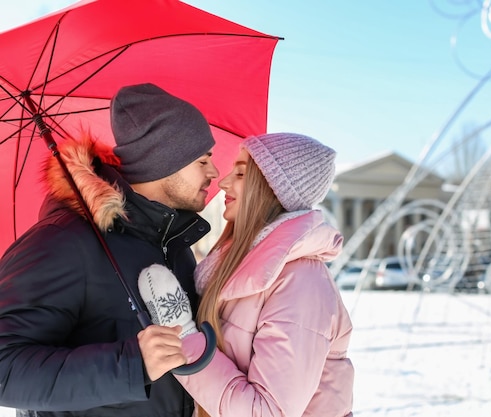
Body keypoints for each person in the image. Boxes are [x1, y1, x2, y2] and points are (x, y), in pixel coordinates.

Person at [0, 83, 219, 417]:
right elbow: (5, 369)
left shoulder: (173, 246)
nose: (214, 173)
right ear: (165, 161)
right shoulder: (65, 242)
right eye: (202, 160)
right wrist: (131, 364)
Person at [139, 132, 355, 416]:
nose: (224, 182)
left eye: (240, 173)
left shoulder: (300, 282)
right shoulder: (235, 267)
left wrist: (187, 340)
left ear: (272, 189)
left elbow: (265, 412)